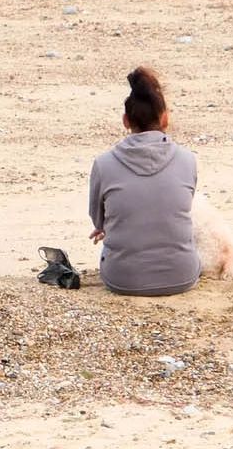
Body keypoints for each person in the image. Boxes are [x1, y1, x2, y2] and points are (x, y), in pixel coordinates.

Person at [88, 67, 200, 296]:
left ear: (125, 120)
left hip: (123, 279)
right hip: (183, 276)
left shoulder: (103, 164)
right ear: (165, 118)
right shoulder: (188, 160)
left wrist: (110, 226)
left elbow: (98, 220)